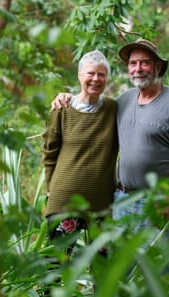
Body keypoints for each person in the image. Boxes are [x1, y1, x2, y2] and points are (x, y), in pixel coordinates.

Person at [52, 38, 169, 233]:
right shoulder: (122, 101)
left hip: (157, 201)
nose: (138, 68)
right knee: (122, 263)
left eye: (144, 62)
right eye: (133, 63)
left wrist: (168, 198)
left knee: (157, 262)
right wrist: (66, 97)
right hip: (122, 201)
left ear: (157, 66)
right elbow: (90, 104)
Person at [42, 50, 118, 255]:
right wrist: (49, 189)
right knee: (56, 264)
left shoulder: (114, 109)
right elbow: (49, 152)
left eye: (101, 74)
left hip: (102, 203)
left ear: (107, 78)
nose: (96, 79)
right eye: (90, 73)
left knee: (103, 269)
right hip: (65, 200)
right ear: (79, 75)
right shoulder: (62, 108)